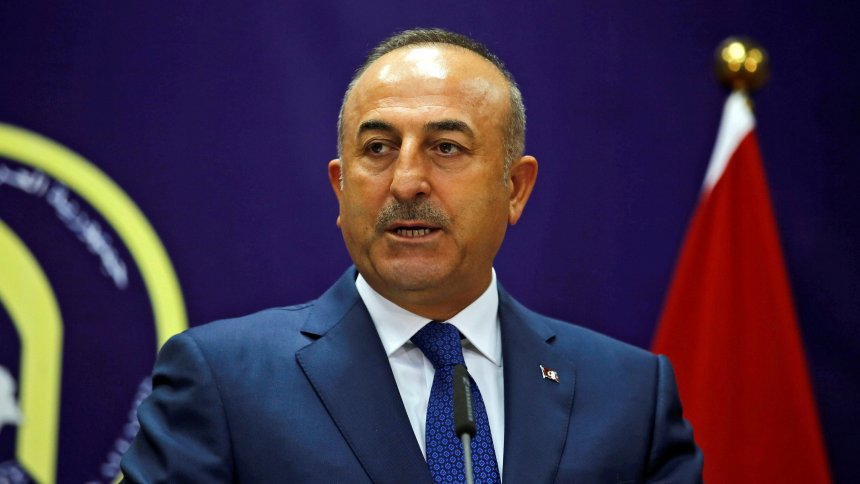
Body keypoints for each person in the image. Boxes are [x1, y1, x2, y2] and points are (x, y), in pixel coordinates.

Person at [121, 28, 703, 482]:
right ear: (340, 188)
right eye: (378, 148)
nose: (405, 182)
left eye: (446, 147)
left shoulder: (629, 396)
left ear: (515, 188)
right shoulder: (223, 381)